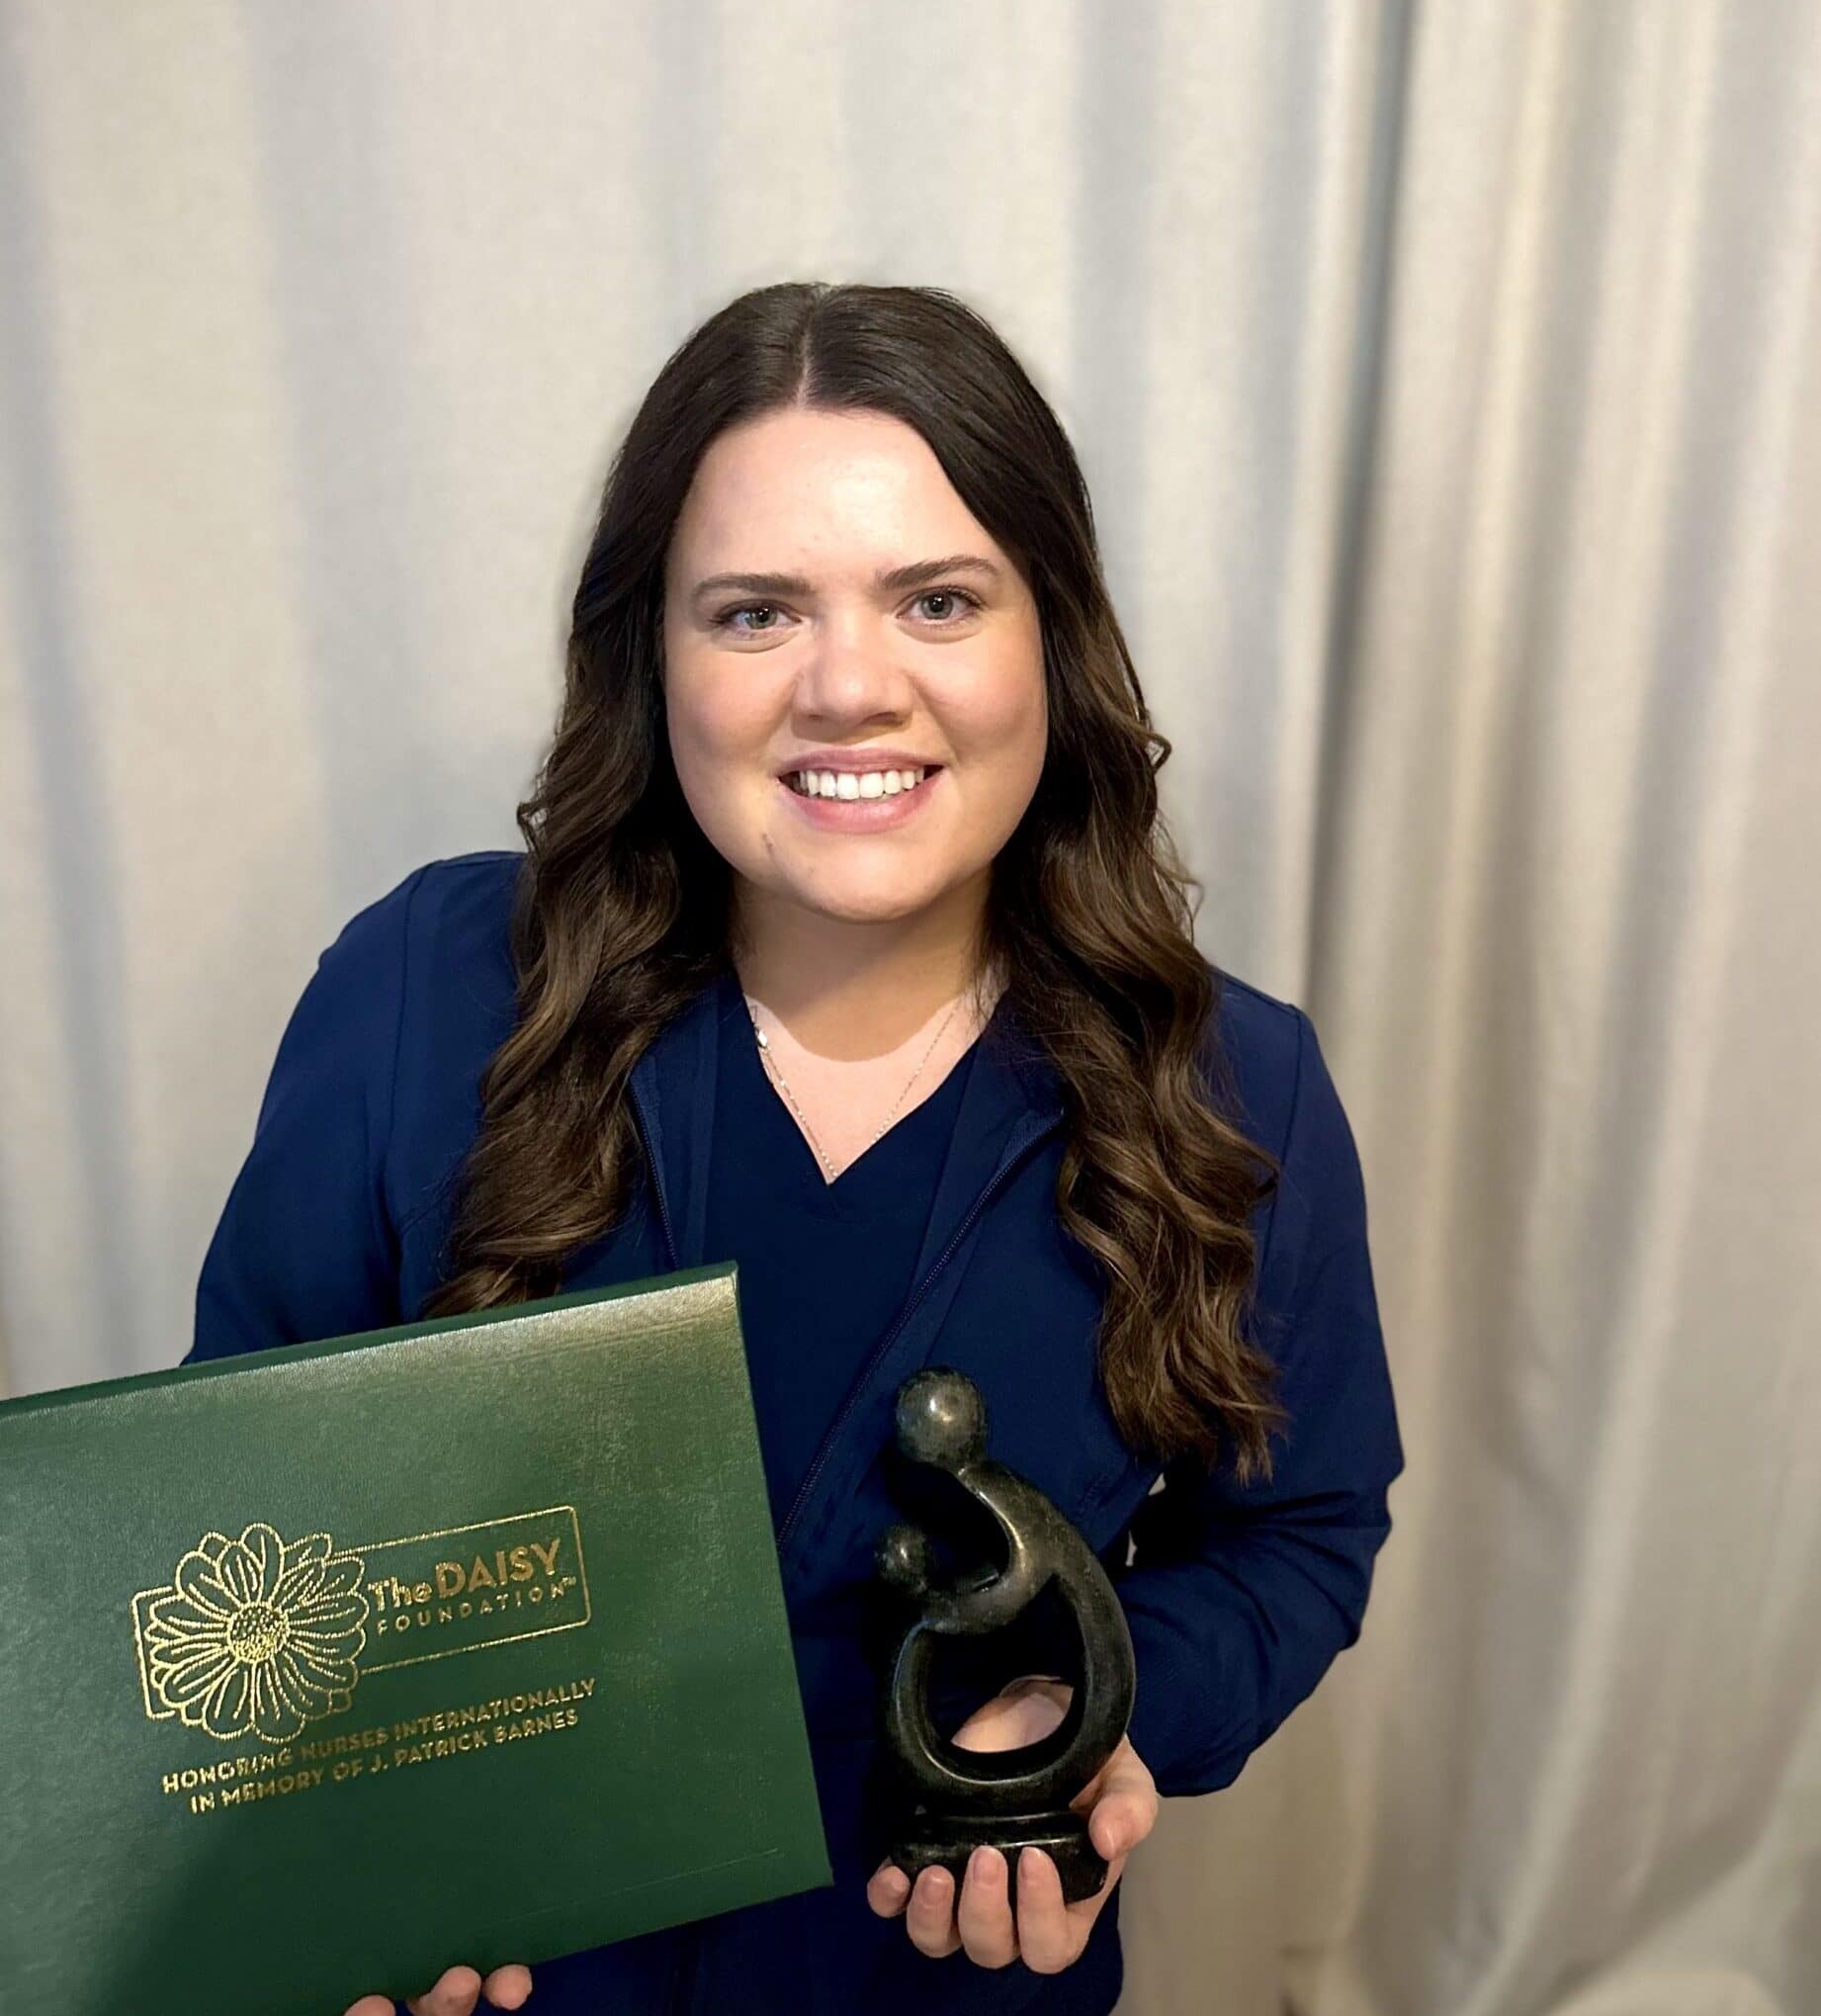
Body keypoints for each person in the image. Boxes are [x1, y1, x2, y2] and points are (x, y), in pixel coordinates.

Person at [185, 280, 1404, 2016]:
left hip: (925, 1970)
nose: (849, 688)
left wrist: (1095, 1719)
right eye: (755, 612)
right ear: (652, 654)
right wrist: (314, 1869)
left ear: (1049, 639)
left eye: (936, 600)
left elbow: (1299, 1536)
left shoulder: (1235, 1085)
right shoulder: (423, 991)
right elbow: (230, 1532)